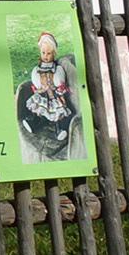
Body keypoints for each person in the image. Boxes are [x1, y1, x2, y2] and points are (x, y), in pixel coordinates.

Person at [18, 29, 79, 162]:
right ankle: (33, 122)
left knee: (58, 114)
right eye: (43, 53)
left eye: (49, 53)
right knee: (39, 111)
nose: (46, 56)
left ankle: (60, 129)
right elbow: (35, 78)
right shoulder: (38, 69)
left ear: (54, 53)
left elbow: (59, 80)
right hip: (42, 95)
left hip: (54, 96)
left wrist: (58, 85)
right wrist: (39, 84)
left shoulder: (57, 69)